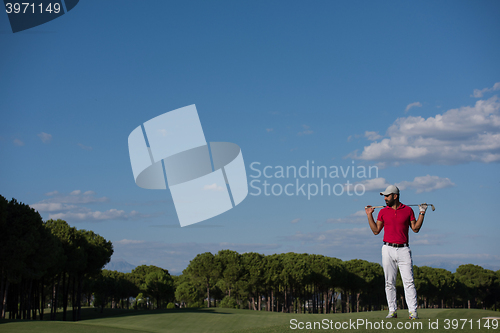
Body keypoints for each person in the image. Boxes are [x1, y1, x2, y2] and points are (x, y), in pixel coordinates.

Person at [365, 185, 427, 320]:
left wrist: (422, 213)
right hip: (387, 249)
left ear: (395, 196)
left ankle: (412, 312)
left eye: (387, 196)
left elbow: (415, 228)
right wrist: (370, 215)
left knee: (409, 281)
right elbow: (376, 230)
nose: (385, 198)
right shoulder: (383, 212)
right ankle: (392, 311)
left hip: (404, 249)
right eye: (384, 196)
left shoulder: (408, 210)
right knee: (389, 282)